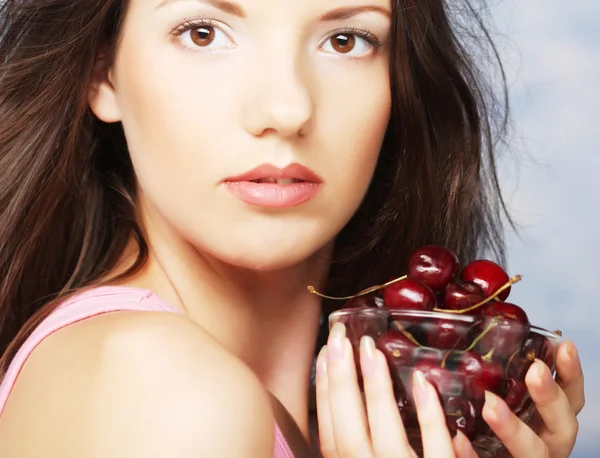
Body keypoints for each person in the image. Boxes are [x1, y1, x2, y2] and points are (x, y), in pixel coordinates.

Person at [0, 0, 584, 456]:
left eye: (345, 39)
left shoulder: (357, 417)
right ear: (102, 74)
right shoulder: (158, 389)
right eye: (203, 32)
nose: (286, 108)